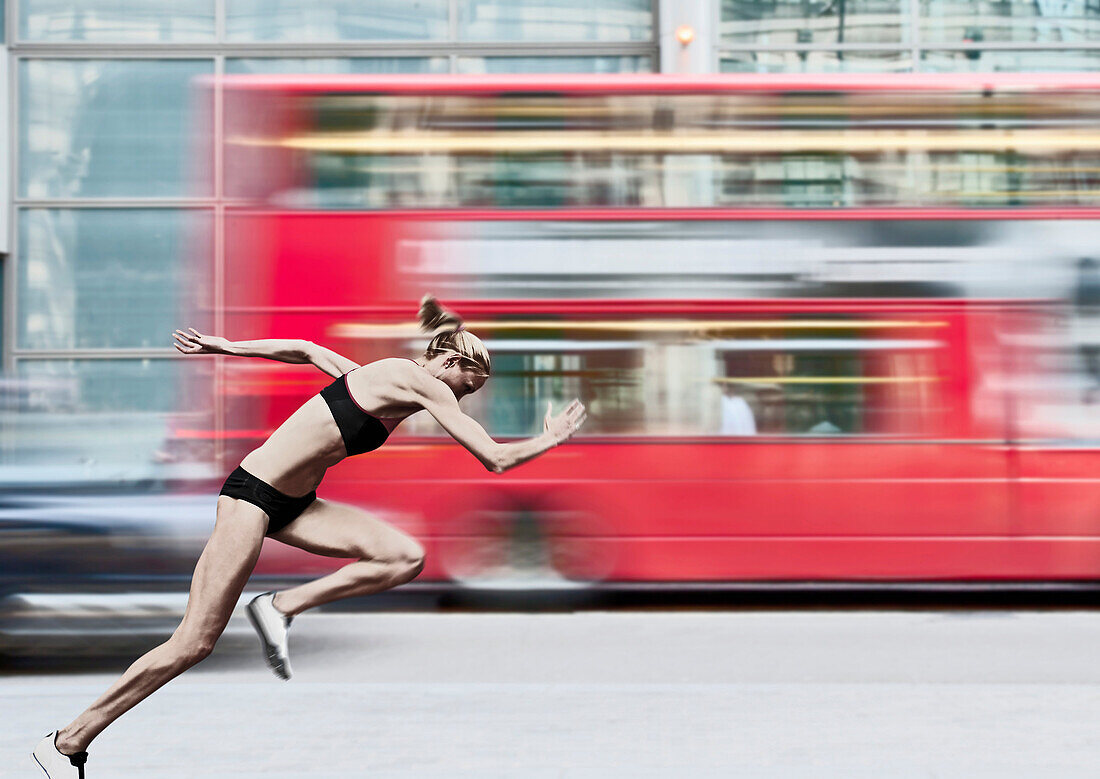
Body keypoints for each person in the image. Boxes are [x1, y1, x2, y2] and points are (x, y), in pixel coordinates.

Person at [32, 294, 587, 778]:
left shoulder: (384, 379)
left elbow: (306, 349)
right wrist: (552, 439)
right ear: (447, 359)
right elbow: (493, 457)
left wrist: (227, 347)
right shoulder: (419, 379)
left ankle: (281, 606)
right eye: (473, 381)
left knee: (402, 557)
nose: (471, 395)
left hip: (297, 505)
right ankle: (67, 742)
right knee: (194, 643)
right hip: (252, 497)